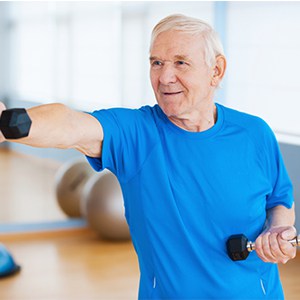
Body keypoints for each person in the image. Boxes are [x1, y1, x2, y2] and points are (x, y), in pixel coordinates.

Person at [0, 14, 297, 299]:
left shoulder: (255, 133)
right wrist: (7, 124)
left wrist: (279, 232)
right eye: (157, 62)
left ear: (216, 70)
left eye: (181, 62)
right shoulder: (137, 135)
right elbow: (70, 124)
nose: (165, 77)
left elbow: (280, 200)